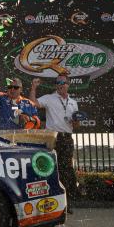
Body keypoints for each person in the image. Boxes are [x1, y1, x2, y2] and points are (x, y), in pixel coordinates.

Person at [29, 75, 79, 210]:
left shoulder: (73, 102)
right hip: (53, 137)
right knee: (51, 168)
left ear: (68, 84)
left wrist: (75, 121)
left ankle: (66, 202)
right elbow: (33, 103)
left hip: (67, 137)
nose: (60, 84)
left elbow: (76, 125)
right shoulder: (49, 98)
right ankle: (50, 201)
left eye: (63, 82)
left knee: (67, 170)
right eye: (58, 82)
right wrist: (33, 87)